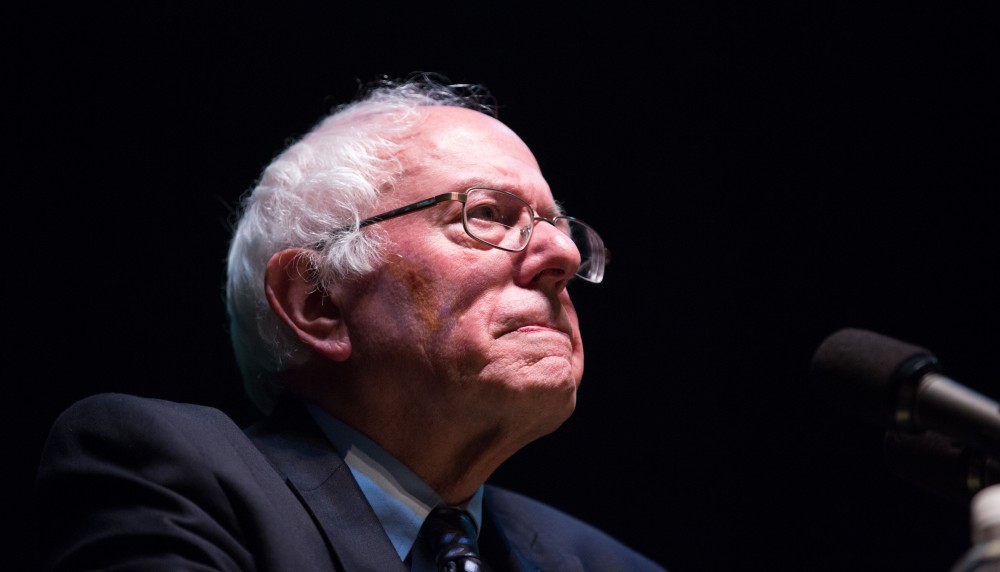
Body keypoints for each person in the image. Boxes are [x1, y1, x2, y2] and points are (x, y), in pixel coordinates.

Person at [34, 72, 666, 571]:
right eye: (488, 214)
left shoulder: (611, 564)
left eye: (558, 225)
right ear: (318, 301)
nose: (565, 255)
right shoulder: (165, 476)